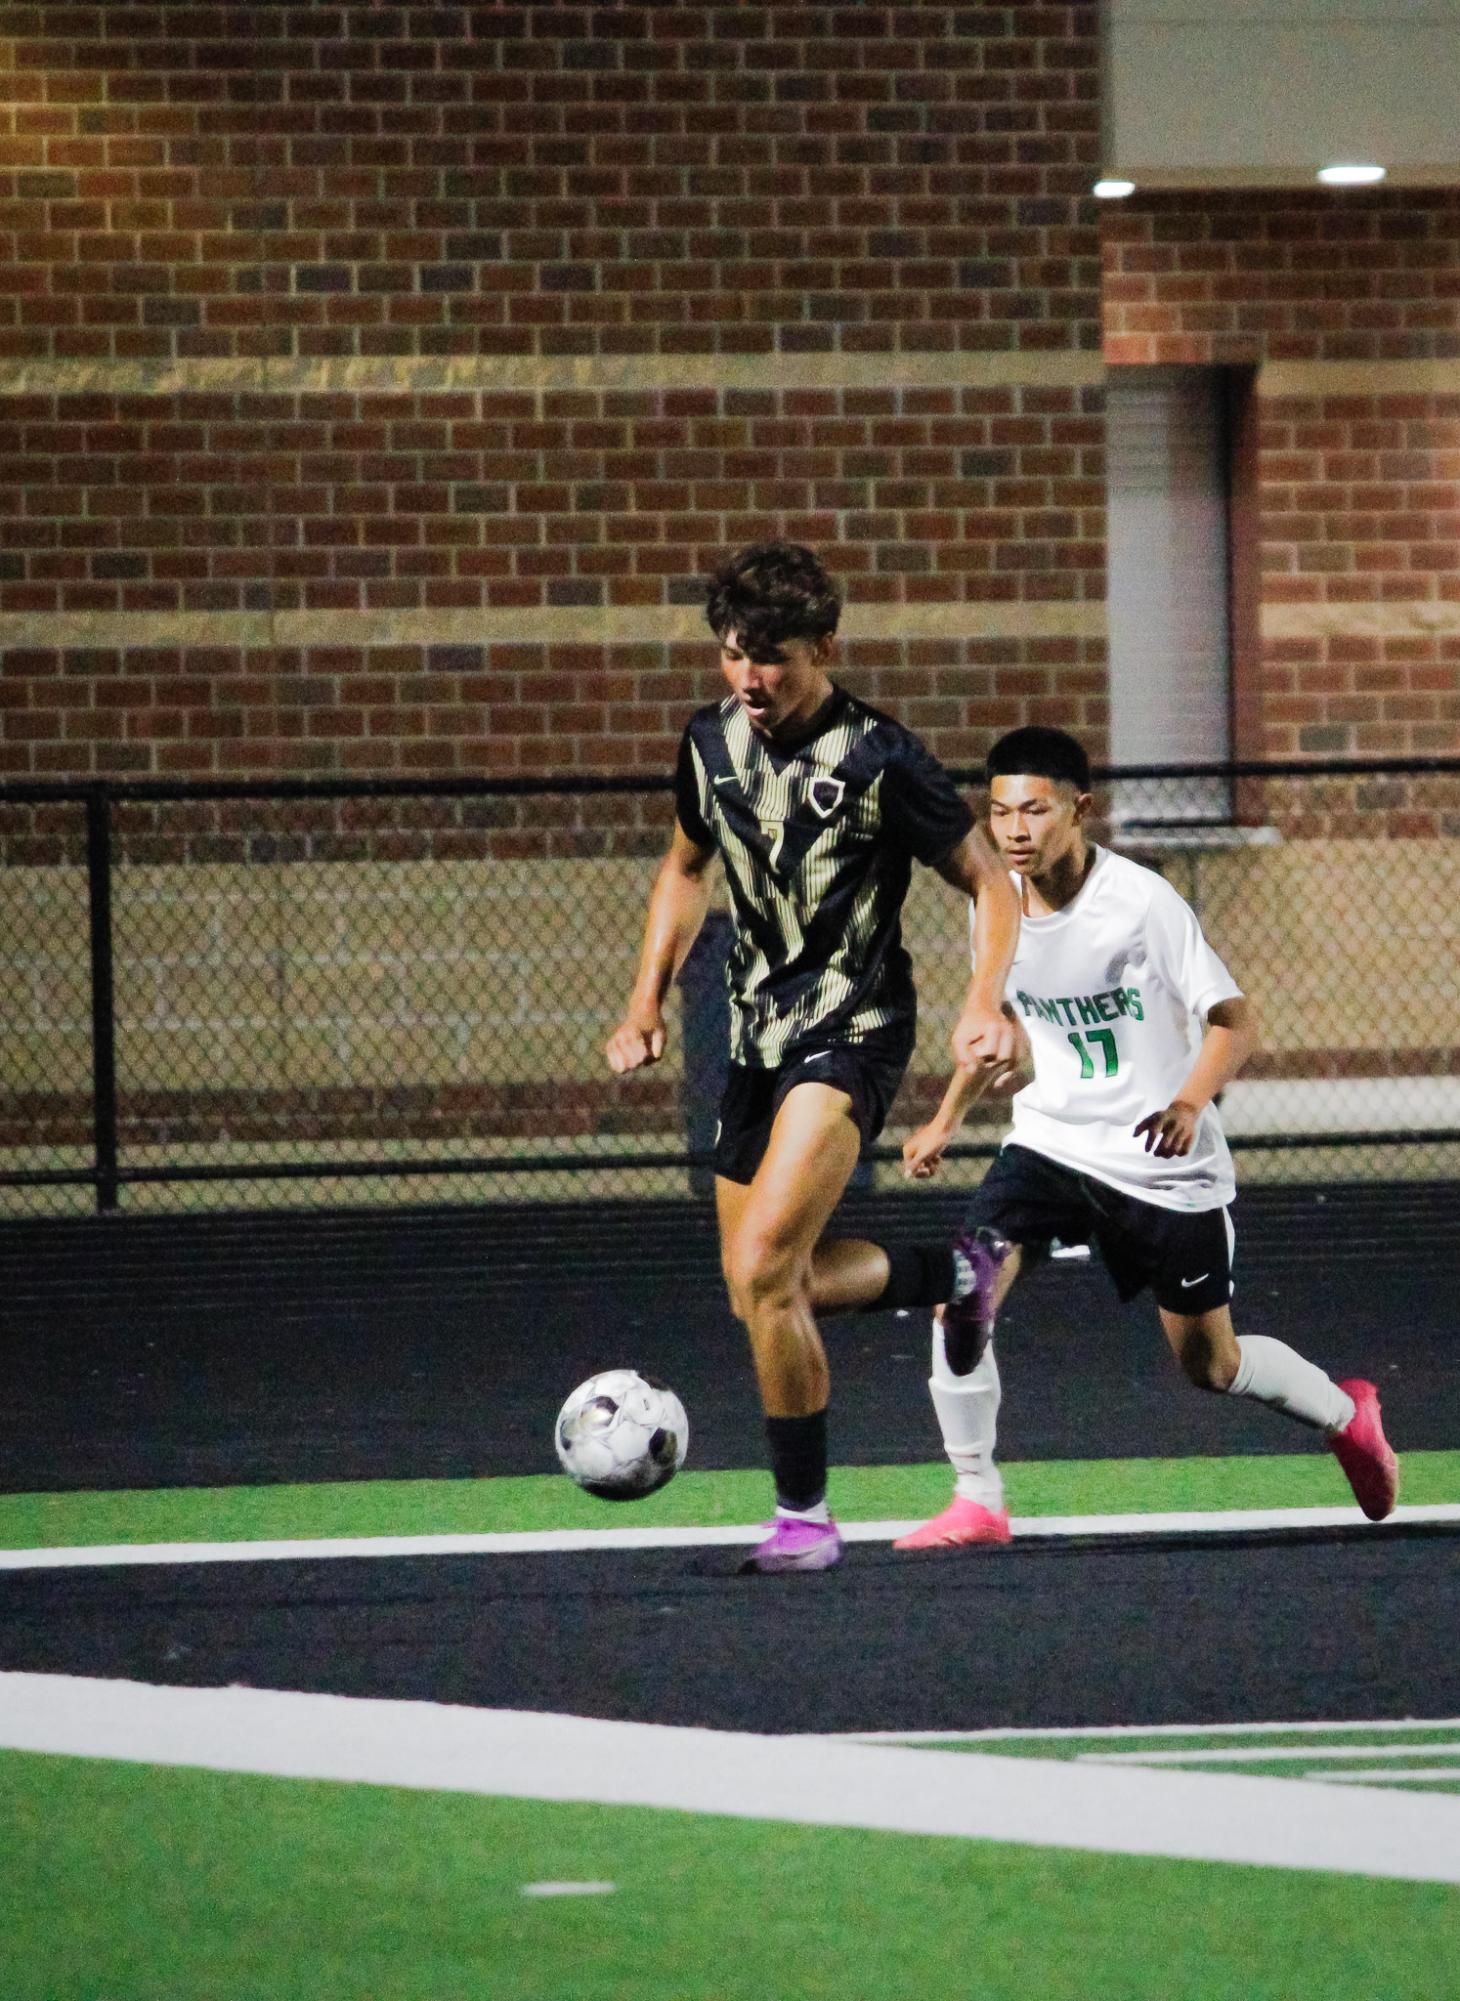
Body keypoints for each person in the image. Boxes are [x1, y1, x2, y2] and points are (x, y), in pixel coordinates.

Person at [605, 542, 1021, 1573]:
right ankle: (956, 1270)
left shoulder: (881, 757)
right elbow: (682, 867)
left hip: (853, 1030)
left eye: (773, 658)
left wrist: (982, 999)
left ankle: (803, 1521)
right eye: (733, 656)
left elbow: (991, 884)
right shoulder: (707, 744)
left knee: (764, 1268)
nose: (750, 679)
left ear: (823, 646)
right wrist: (644, 997)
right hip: (750, 1035)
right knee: (757, 1290)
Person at [895, 723, 1399, 1550]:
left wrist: (1191, 1103)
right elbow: (1002, 1022)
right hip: (1051, 1147)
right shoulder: (998, 906)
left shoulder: (1141, 904)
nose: (1015, 829)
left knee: (1212, 1366)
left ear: (1080, 810)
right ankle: (977, 1495)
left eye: (1035, 810)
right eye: (999, 812)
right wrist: (947, 1116)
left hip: (1161, 1164)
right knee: (964, 1293)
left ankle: (1349, 1415)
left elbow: (1234, 1021)